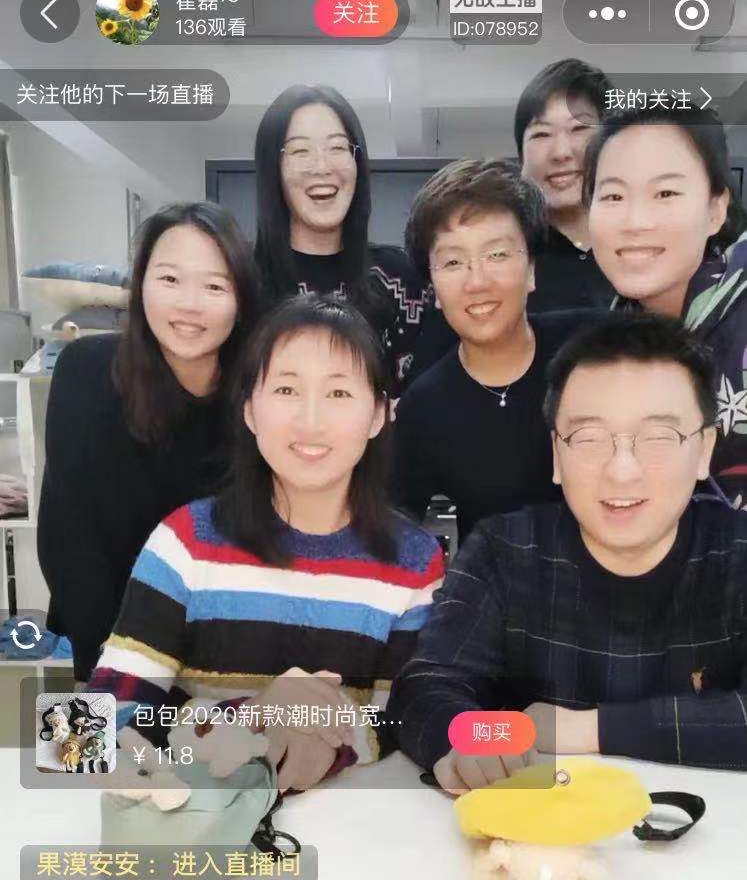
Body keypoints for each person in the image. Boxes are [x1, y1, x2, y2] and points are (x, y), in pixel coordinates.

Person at [88, 296, 444, 793]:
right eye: (286, 389)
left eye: (339, 393)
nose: (311, 420)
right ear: (250, 411)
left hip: (344, 828)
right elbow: (76, 737)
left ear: (378, 415)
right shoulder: (186, 542)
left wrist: (323, 743)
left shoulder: (414, 562)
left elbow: (400, 720)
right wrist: (255, 714)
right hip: (196, 819)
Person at [389, 314, 747, 789]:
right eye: (590, 438)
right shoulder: (504, 550)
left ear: (703, 451)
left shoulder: (737, 552)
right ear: (557, 455)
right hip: (543, 823)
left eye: (659, 438)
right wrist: (476, 739)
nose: (622, 471)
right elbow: (426, 686)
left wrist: (584, 729)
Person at [38, 201, 259, 681]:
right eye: (170, 279)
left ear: (241, 299)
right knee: (70, 735)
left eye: (215, 286)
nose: (189, 304)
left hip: (220, 657)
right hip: (98, 640)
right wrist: (114, 673)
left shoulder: (259, 394)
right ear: (140, 287)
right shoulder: (85, 371)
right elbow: (67, 537)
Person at [392, 159, 602, 547]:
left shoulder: (594, 347)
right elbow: (393, 529)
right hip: (500, 581)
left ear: (532, 270)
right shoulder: (424, 407)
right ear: (433, 288)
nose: (477, 281)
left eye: (498, 255)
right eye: (453, 262)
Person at [585, 104, 747, 510]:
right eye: (613, 195)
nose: (635, 221)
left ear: (716, 210)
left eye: (666, 193)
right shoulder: (616, 339)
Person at [253, 84, 428, 390]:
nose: (322, 167)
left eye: (337, 148)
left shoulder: (403, 279)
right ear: (273, 168)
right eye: (300, 151)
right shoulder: (243, 281)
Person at [517, 57, 616, 313]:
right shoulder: (506, 256)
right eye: (541, 134)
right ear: (521, 158)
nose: (561, 153)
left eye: (579, 129)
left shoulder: (646, 245)